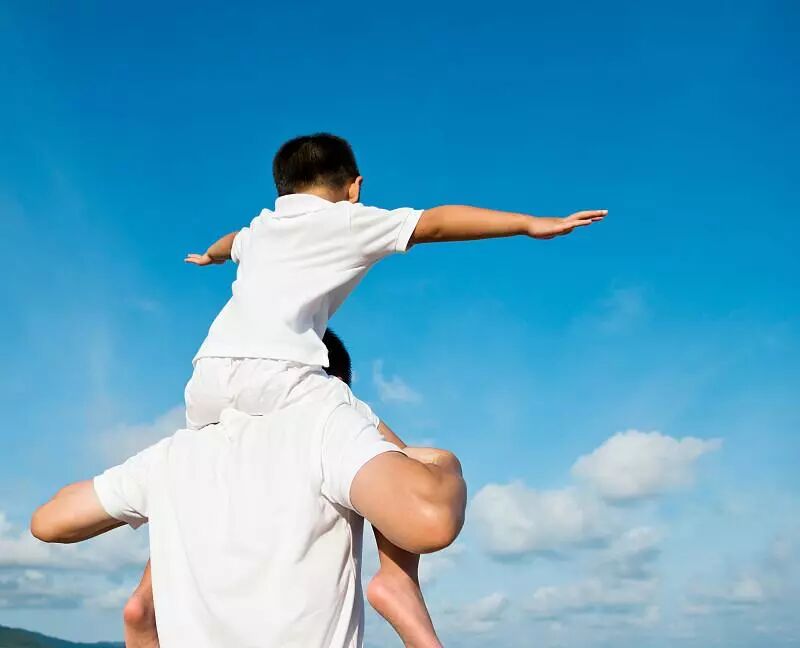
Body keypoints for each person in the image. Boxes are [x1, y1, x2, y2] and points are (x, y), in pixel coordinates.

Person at [181, 133, 607, 646]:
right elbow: (438, 221)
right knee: (405, 461)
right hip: (280, 377)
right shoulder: (345, 220)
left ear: (282, 189)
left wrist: (210, 257)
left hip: (205, 382)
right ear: (354, 187)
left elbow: (229, 241)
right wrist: (528, 224)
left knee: (226, 470)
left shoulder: (260, 231)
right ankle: (398, 579)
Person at [30, 331, 467, 648]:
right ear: (329, 385)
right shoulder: (325, 427)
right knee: (433, 464)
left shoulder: (172, 455)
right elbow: (430, 519)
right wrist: (349, 406)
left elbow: (48, 522)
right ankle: (398, 580)